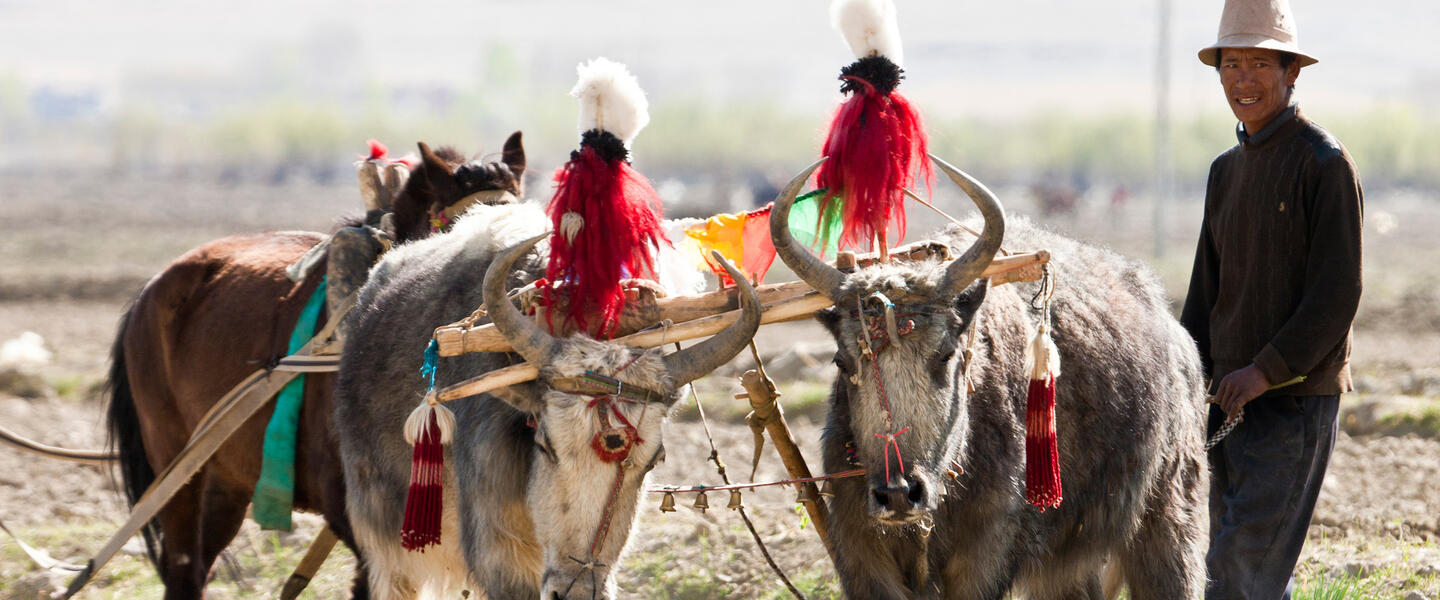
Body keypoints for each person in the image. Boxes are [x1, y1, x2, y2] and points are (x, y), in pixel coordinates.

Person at [1180, 0, 1363, 598]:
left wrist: (1266, 370)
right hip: (1225, 401)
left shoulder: (1324, 163)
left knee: (1242, 575)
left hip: (1292, 403)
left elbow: (1338, 292)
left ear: (1292, 72)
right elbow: (1206, 291)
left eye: (1261, 63)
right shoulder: (1225, 172)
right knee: (1228, 567)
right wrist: (1187, 386)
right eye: (1232, 63)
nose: (1244, 79)